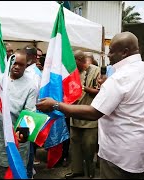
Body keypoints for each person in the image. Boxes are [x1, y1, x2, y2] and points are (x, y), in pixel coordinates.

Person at [36, 32, 144, 179]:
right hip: (143, 147)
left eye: (112, 51)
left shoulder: (120, 77)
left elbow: (94, 112)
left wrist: (55, 104)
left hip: (121, 154)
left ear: (125, 52)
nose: (108, 55)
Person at [0, 49, 37, 179]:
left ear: (26, 66)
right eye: (14, 63)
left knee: (16, 170)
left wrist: (22, 135)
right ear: (9, 62)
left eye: (21, 64)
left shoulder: (31, 86)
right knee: (1, 169)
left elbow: (30, 114)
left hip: (18, 137)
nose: (17, 67)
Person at [65, 50, 100, 179]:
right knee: (75, 146)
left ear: (80, 60)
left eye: (74, 61)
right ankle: (76, 170)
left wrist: (83, 87)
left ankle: (90, 173)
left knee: (89, 147)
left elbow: (99, 91)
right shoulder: (73, 73)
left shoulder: (96, 71)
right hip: (75, 115)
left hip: (90, 117)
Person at [23, 45, 42, 178]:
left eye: (29, 55)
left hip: (30, 114)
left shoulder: (34, 73)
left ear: (35, 58)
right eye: (25, 54)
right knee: (24, 143)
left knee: (27, 145)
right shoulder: (27, 71)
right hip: (25, 112)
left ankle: (28, 173)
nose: (27, 57)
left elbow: (34, 94)